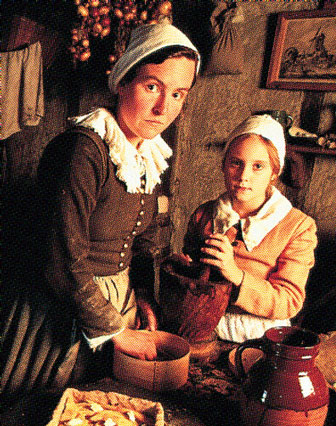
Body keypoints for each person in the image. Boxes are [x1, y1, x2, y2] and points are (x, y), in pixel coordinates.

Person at [0, 23, 200, 397]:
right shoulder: (82, 151)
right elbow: (59, 256)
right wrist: (116, 329)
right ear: (122, 80)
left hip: (116, 304)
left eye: (178, 94)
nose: (163, 108)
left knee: (101, 422)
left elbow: (146, 238)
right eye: (152, 87)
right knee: (43, 420)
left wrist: (141, 294)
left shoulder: (146, 155)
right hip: (61, 313)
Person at [182, 114, 317, 342]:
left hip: (261, 335)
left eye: (258, 167)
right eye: (236, 163)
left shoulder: (298, 227)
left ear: (274, 173)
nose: (244, 176)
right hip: (203, 326)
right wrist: (186, 271)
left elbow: (289, 300)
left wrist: (235, 274)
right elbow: (192, 275)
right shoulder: (204, 214)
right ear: (223, 165)